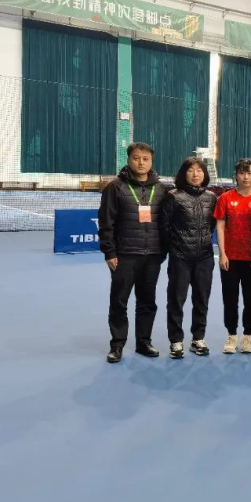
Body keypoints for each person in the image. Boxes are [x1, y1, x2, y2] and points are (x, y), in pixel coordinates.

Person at [99, 142, 168, 363]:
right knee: (119, 301)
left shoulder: (161, 189)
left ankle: (143, 342)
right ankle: (117, 345)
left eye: (145, 159)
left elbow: (166, 223)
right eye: (136, 158)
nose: (141, 163)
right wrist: (110, 252)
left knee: (147, 302)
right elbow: (106, 223)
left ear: (151, 162)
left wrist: (163, 250)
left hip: (153, 256)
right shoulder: (115, 187)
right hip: (125, 255)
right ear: (129, 160)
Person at [161, 157, 218, 359]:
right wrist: (176, 247)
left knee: (202, 299)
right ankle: (176, 341)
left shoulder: (212, 197)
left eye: (199, 170)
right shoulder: (173, 197)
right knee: (176, 299)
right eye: (191, 170)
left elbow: (211, 225)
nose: (195, 174)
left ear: (205, 174)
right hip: (180, 258)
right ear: (184, 173)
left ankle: (198, 339)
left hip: (205, 257)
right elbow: (164, 227)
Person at [214, 158, 251, 355]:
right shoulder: (225, 198)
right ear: (236, 176)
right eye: (242, 173)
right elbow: (220, 226)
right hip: (230, 259)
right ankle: (231, 335)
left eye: (249, 173)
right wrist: (222, 254)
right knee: (230, 299)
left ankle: (248, 335)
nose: (246, 177)